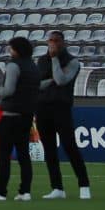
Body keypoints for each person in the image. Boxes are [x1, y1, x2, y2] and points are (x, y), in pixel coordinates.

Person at [35, 30, 92, 199]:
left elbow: (61, 80)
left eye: (56, 41)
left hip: (61, 108)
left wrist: (54, 60)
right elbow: (37, 84)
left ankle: (84, 185)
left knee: (70, 146)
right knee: (49, 149)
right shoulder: (41, 60)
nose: (53, 44)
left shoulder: (72, 61)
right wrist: (50, 80)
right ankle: (57, 187)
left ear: (63, 42)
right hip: (43, 107)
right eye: (50, 40)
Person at [0, 36, 42, 201]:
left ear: (17, 50)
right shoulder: (33, 67)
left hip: (10, 116)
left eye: (11, 49)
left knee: (4, 156)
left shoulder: (13, 65)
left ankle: (0, 191)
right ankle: (25, 191)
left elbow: (9, 90)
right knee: (24, 155)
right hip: (26, 116)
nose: (9, 52)